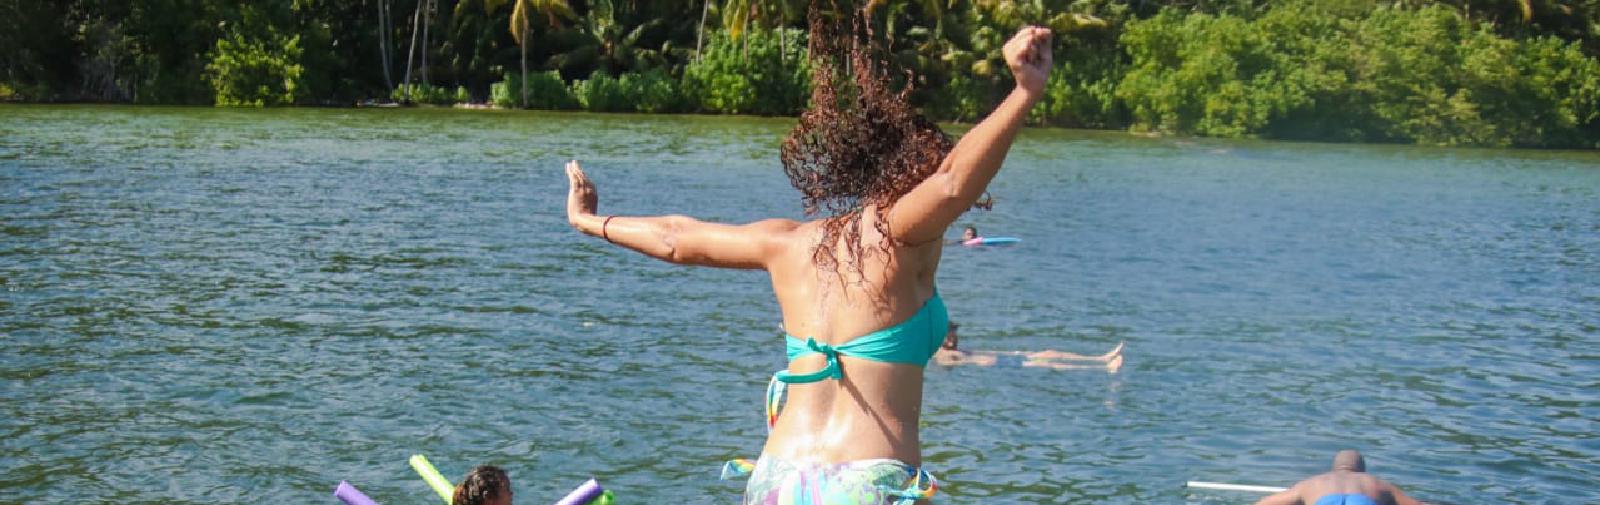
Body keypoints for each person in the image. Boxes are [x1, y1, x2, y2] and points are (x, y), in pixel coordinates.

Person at [563, 6, 1054, 503]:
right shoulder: (903, 232)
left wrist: (590, 222)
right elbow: (952, 182)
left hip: (777, 478)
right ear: (910, 179)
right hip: (865, 481)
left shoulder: (789, 242)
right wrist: (1024, 92)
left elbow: (676, 238)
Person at [1254, 450, 1426, 505]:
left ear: (1334, 468)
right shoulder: (1376, 483)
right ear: (1362, 470)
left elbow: (1265, 503)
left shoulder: (1314, 483)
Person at [933, 322, 1123, 371]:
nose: (952, 341)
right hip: (1004, 366)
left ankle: (1100, 358)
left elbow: (981, 352)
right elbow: (956, 363)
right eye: (948, 339)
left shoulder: (957, 350)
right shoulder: (943, 355)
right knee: (1048, 364)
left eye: (954, 337)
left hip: (1008, 359)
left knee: (1050, 353)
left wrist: (1017, 352)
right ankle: (1103, 368)